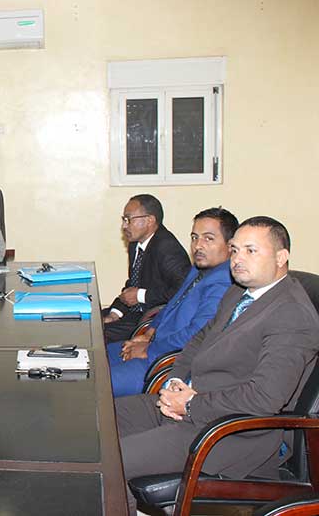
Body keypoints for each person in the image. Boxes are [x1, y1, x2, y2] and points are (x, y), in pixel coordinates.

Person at [117, 217, 319, 513]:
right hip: (189, 405)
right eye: (235, 250)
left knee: (114, 461)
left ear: (281, 257)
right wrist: (175, 382)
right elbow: (200, 339)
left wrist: (190, 405)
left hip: (229, 434)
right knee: (100, 421)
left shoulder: (292, 314)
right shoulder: (239, 292)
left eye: (251, 251)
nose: (237, 259)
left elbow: (265, 398)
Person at [108, 207, 238, 397]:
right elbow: (172, 303)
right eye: (194, 237)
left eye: (208, 239)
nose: (198, 246)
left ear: (230, 245)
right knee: (95, 358)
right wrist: (149, 333)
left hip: (166, 363)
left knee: (97, 384)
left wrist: (149, 348)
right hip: (155, 345)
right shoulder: (198, 269)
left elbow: (197, 334)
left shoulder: (224, 281)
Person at [103, 194, 191, 342]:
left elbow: (184, 290)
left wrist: (140, 295)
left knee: (98, 334)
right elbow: (133, 284)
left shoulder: (167, 248)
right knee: (90, 320)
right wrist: (115, 313)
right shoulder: (135, 243)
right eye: (124, 220)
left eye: (129, 219)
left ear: (150, 220)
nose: (124, 226)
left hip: (154, 320)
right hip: (135, 311)